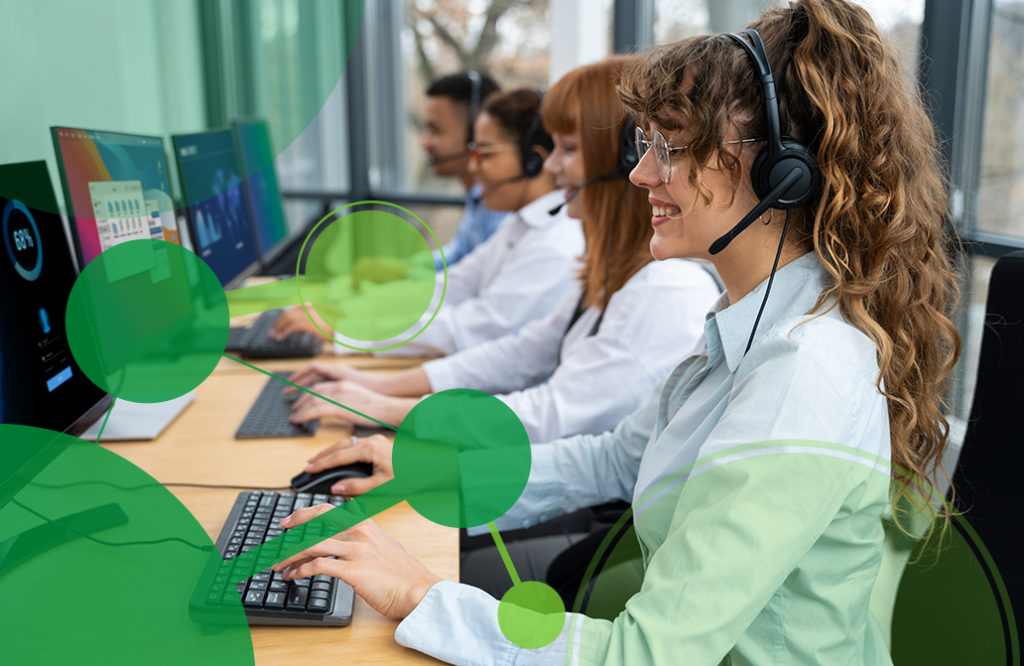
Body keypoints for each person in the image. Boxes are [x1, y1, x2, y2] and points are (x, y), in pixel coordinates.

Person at [271, 1, 961, 663]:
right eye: (645, 145)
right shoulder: (748, 327)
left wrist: (421, 595)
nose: (641, 173)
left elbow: (644, 655)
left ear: (782, 171)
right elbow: (612, 460)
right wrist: (432, 475)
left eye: (672, 147)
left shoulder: (801, 376)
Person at [284, 57, 721, 447]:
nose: (550, 167)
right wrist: (373, 386)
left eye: (567, 150)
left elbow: (548, 413)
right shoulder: (611, 273)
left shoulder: (661, 290)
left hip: (569, 502)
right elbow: (519, 353)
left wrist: (385, 405)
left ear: (623, 164)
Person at [269, 71, 507, 341]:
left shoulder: (502, 210)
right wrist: (400, 270)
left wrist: (350, 324)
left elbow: (469, 296)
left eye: (435, 130)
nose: (424, 142)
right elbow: (459, 258)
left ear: (474, 134)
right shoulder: (480, 200)